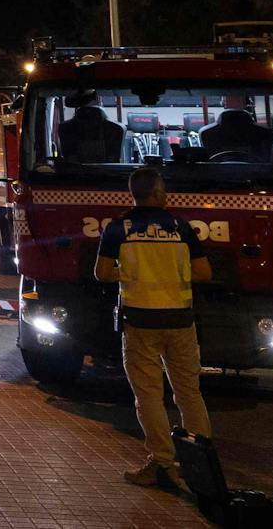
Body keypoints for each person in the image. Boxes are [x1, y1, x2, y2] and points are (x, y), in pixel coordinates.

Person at [95, 166, 214, 490]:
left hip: (140, 322)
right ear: (158, 194)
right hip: (180, 321)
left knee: (148, 396)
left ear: (134, 194)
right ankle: (200, 463)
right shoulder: (181, 227)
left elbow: (102, 272)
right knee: (188, 392)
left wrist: (129, 274)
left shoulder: (119, 228)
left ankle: (162, 463)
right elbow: (204, 273)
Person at [59, 90, 126, 163]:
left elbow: (69, 158)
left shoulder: (65, 129)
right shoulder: (116, 129)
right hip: (107, 170)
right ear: (97, 99)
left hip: (73, 170)